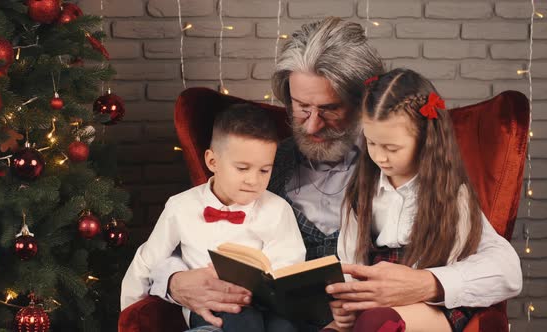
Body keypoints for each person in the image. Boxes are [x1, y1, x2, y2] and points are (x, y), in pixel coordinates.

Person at [147, 17, 522, 331]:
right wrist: (174, 282)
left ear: (363, 104)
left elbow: (501, 265)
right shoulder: (260, 164)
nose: (311, 126)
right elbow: (187, 230)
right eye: (300, 107)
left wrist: (426, 283)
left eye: (328, 109)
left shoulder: (394, 169)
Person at [321, 68, 516, 332]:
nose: (379, 157)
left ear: (425, 139)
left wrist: (429, 282)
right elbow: (350, 258)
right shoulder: (361, 191)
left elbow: (508, 272)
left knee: (379, 323)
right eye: (372, 143)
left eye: (392, 148)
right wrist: (347, 302)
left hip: (431, 306)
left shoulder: (451, 195)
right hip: (376, 298)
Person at [120, 103, 306, 331]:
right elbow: (147, 262)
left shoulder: (277, 209)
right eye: (242, 168)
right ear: (212, 162)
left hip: (264, 305)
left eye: (264, 170)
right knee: (242, 320)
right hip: (212, 306)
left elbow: (290, 260)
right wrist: (129, 312)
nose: (253, 180)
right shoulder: (181, 206)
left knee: (286, 327)